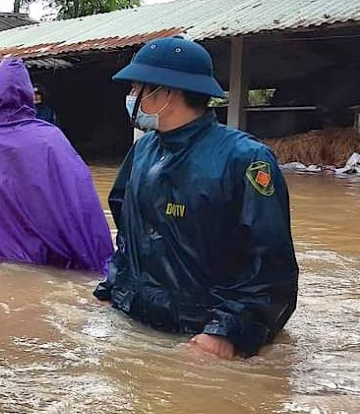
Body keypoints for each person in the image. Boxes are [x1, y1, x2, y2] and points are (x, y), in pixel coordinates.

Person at [94, 36, 299, 358]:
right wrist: (110, 292)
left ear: (167, 92)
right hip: (135, 321)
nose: (132, 97)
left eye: (137, 88)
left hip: (202, 339)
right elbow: (129, 236)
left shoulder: (245, 159)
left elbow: (272, 266)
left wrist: (225, 333)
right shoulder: (143, 150)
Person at [0, 58, 113, 272]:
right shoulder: (52, 141)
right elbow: (81, 206)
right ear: (28, 95)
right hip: (46, 271)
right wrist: (98, 267)